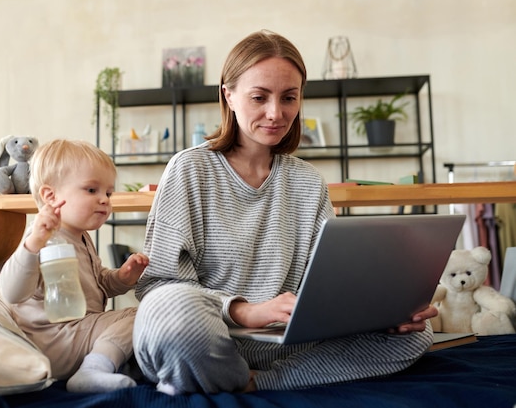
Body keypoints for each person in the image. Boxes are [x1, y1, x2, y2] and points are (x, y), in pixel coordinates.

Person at [132, 30, 438, 395]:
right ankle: (241, 374)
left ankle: (256, 383)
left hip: (288, 343)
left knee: (417, 335)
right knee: (171, 309)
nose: (276, 113)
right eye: (259, 97)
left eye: (289, 98)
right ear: (228, 95)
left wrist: (385, 312)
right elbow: (157, 285)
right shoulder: (189, 169)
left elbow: (329, 283)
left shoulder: (308, 182)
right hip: (209, 337)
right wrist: (242, 311)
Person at [0, 139, 149, 393]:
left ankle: (113, 366)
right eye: (92, 190)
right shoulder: (39, 238)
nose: (104, 200)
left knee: (148, 328)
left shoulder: (81, 237)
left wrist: (123, 278)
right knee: (140, 314)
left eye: (108, 193)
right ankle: (91, 371)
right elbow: (12, 292)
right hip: (56, 340)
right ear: (51, 196)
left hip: (82, 331)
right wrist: (34, 243)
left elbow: (98, 283)